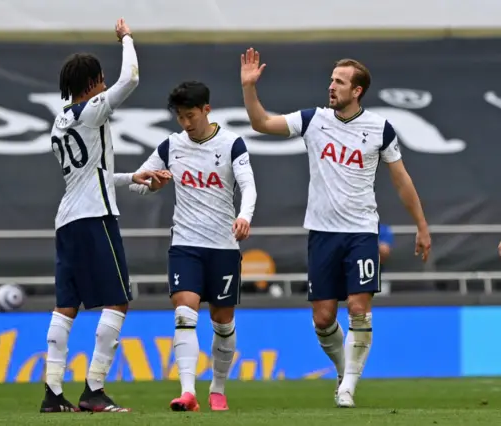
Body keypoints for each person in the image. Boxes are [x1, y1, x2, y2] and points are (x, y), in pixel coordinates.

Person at [240, 48, 431, 408]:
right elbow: (261, 123)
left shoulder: (380, 129)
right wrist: (249, 88)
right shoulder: (313, 120)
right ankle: (345, 371)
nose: (331, 86)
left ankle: (348, 389)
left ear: (357, 91)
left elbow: (402, 180)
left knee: (359, 308)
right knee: (323, 317)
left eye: (340, 82)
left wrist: (421, 226)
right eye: (331, 80)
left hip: (361, 233)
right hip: (322, 234)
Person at [40, 18, 167, 414]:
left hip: (68, 221)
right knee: (117, 301)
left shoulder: (58, 124)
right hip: (96, 218)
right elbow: (130, 78)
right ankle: (94, 389)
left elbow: (91, 173)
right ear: (93, 82)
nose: (105, 82)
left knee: (66, 306)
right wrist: (127, 37)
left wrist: (133, 177)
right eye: (100, 78)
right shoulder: (92, 111)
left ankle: (53, 394)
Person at [129, 81, 257, 412]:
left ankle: (217, 388)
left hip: (223, 247)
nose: (185, 123)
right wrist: (151, 185)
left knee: (223, 322)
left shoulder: (232, 144)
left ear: (206, 110)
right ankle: (188, 392)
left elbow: (248, 187)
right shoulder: (171, 147)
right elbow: (140, 182)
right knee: (184, 312)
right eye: (180, 117)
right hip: (185, 244)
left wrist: (244, 216)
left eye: (190, 116)